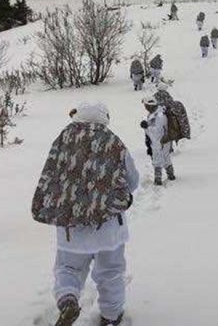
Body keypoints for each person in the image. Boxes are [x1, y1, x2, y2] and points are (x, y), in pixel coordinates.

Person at [32, 103, 140, 326]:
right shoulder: (113, 142)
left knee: (68, 268)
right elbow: (132, 181)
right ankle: (111, 316)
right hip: (109, 226)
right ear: (104, 119)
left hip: (71, 226)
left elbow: (50, 175)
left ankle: (68, 299)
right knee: (110, 271)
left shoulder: (63, 140)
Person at [140, 97, 175, 185]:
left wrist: (146, 127)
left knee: (157, 160)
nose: (145, 107)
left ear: (151, 105)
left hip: (160, 142)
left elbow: (158, 131)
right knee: (166, 159)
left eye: (146, 105)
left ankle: (158, 180)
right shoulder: (155, 113)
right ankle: (171, 175)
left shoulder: (159, 115)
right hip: (162, 141)